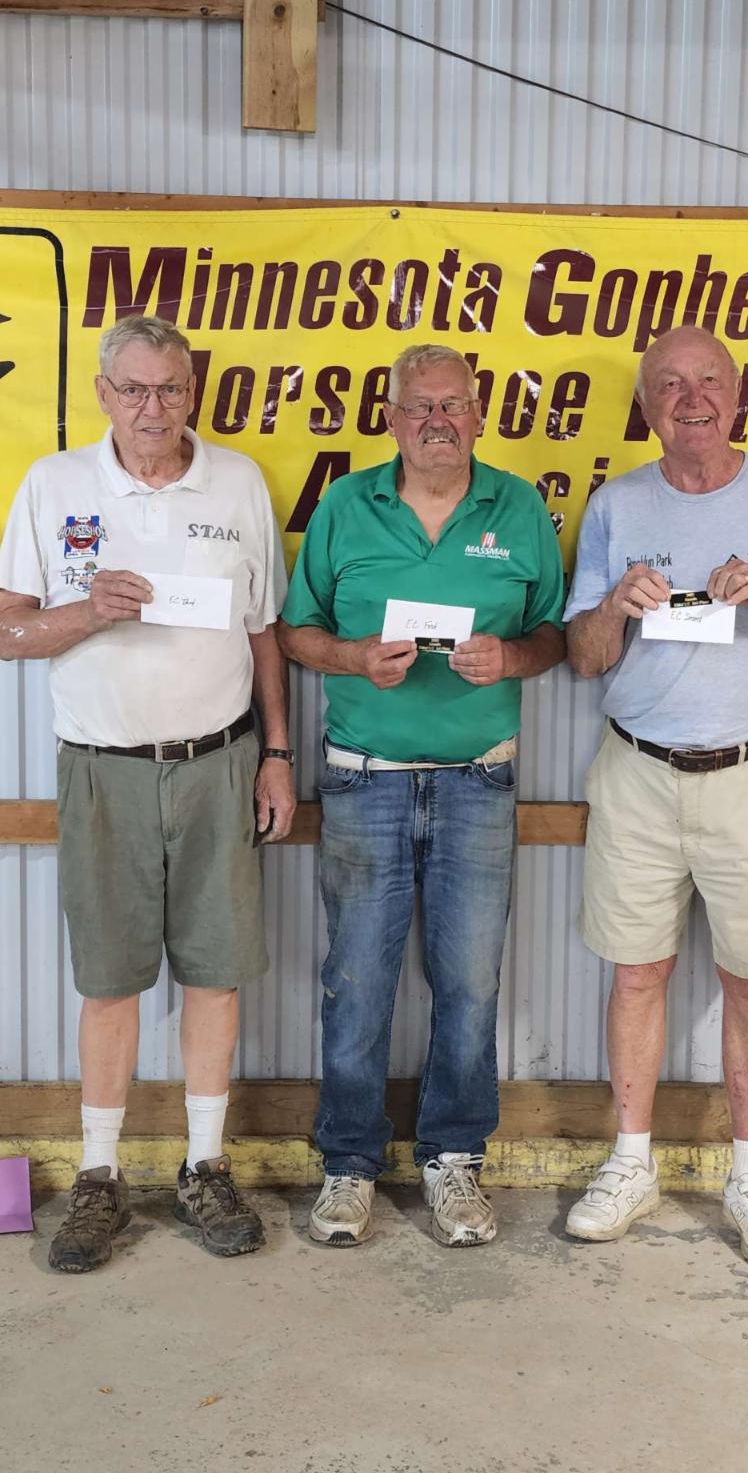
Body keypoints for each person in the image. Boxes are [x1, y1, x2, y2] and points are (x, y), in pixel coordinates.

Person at [0, 315, 296, 1272]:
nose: (153, 407)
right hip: (102, 770)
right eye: (134, 389)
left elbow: (264, 632)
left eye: (170, 388)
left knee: (215, 972)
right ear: (103, 394)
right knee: (110, 980)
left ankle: (206, 1165)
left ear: (192, 391)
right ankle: (100, 1176)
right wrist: (88, 611)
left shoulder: (238, 482)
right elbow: (6, 631)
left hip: (218, 764)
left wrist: (277, 753)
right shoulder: (54, 486)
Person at [563, 324, 748, 1267]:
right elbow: (582, 657)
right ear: (646, 404)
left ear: (737, 394)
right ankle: (631, 1164)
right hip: (638, 774)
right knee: (635, 973)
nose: (691, 399)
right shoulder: (616, 503)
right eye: (670, 385)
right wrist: (613, 608)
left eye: (708, 382)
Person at [277, 343, 566, 1248]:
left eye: (454, 405)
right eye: (420, 407)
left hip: (480, 778)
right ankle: (349, 1164)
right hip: (363, 777)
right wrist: (353, 656)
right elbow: (294, 632)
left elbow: (554, 635)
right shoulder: (344, 505)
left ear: (478, 416)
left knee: (470, 984)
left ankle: (454, 1159)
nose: (438, 421)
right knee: (356, 981)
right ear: (393, 419)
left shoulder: (519, 508)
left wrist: (511, 657)